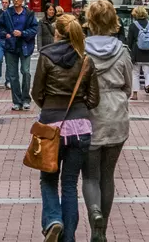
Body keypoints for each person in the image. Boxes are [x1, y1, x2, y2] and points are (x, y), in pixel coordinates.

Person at [31, 14, 100, 242]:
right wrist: (79, 107)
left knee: (48, 179)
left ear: (57, 32)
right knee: (70, 184)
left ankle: (53, 220)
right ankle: (68, 237)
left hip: (52, 125)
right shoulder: (86, 59)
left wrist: (50, 106)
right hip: (80, 128)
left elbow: (36, 92)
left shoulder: (45, 56)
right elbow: (94, 99)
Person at [81, 1, 132, 242]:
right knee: (108, 174)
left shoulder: (81, 50)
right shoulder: (122, 51)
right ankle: (101, 230)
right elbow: (129, 86)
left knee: (90, 175)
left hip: (89, 114)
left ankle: (94, 215)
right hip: (116, 115)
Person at [0, 0, 39, 110]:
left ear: (22, 0)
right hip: (11, 46)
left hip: (25, 46)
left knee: (26, 72)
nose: (16, 1)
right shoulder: (7, 13)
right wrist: (6, 34)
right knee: (13, 75)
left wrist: (23, 33)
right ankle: (17, 101)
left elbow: (34, 29)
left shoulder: (29, 13)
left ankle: (26, 99)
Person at [127, 5, 149, 101]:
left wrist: (130, 51)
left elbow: (129, 41)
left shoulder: (133, 26)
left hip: (136, 53)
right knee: (148, 73)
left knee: (135, 73)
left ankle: (135, 94)